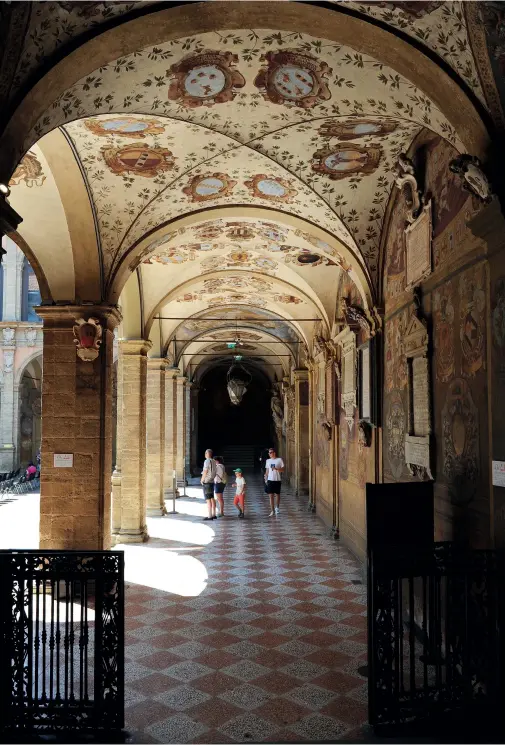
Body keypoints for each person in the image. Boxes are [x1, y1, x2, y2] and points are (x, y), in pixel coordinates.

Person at [265, 447, 284, 517]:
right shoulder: (268, 461)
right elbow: (267, 471)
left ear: (274, 453)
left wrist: (277, 469)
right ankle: (272, 510)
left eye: (270, 452)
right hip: (270, 480)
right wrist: (266, 479)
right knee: (271, 496)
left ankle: (277, 508)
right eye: (269, 453)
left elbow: (283, 470)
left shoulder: (279, 460)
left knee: (277, 495)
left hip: (277, 480)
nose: (269, 454)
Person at [201, 448, 217, 521]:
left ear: (207, 454)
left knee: (208, 499)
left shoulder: (207, 461)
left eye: (205, 453)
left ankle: (210, 515)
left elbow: (205, 471)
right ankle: (214, 514)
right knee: (212, 497)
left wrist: (202, 480)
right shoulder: (214, 461)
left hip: (207, 481)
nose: (205, 454)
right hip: (212, 481)